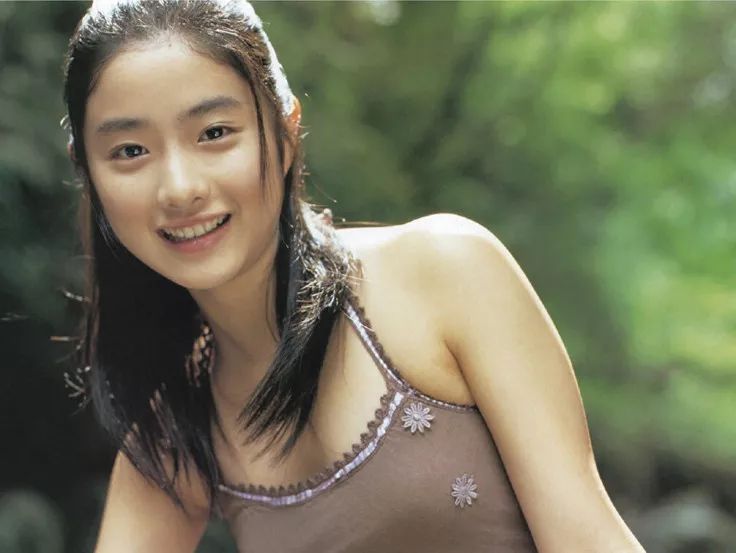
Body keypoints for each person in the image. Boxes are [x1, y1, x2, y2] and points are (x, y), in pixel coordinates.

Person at [61, 1, 646, 551]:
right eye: (130, 151)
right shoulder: (174, 428)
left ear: (285, 132)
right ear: (88, 173)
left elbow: (589, 538)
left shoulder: (443, 272)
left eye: (214, 133)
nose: (179, 188)